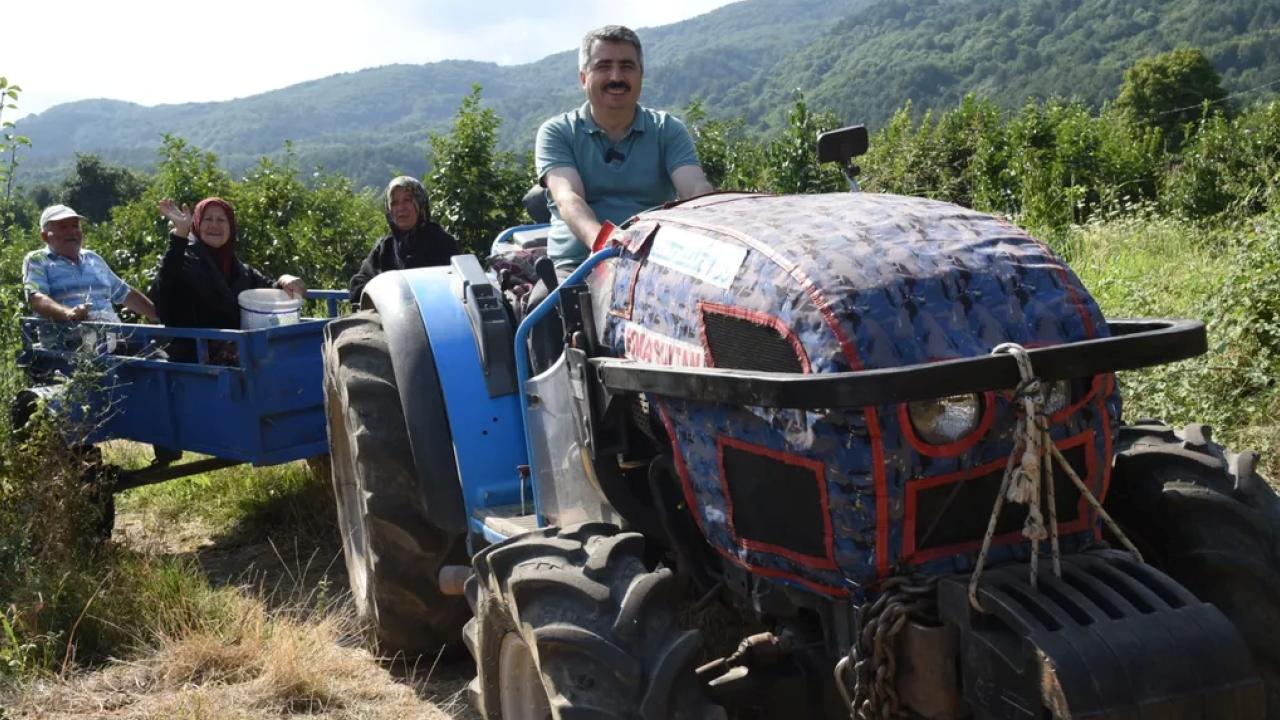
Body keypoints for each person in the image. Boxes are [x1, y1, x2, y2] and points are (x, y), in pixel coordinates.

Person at [535, 24, 714, 280]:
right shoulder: (558, 132)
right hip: (578, 266)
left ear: (641, 75)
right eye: (604, 66)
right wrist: (607, 245)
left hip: (654, 262)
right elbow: (569, 197)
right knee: (544, 309)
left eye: (627, 66)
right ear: (584, 78)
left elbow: (694, 188)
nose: (616, 77)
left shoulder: (667, 129)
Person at [150, 197, 305, 362]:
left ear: (230, 227)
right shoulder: (183, 260)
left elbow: (269, 292)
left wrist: (285, 279)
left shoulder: (239, 269)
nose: (214, 225)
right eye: (208, 219)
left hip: (240, 353)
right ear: (196, 224)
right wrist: (180, 234)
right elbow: (164, 289)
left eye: (221, 220)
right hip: (195, 357)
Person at [23, 204, 158, 326]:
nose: (72, 232)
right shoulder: (38, 259)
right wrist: (69, 314)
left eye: (75, 225)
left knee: (163, 351)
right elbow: (35, 298)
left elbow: (124, 293)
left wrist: (158, 315)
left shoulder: (92, 258)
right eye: (63, 227)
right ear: (45, 237)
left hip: (113, 336)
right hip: (68, 343)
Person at [348, 176, 459, 304]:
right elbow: (358, 285)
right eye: (394, 203)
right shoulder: (385, 247)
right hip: (391, 317)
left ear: (420, 203)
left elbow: (455, 286)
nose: (401, 208)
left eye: (407, 200)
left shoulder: (441, 242)